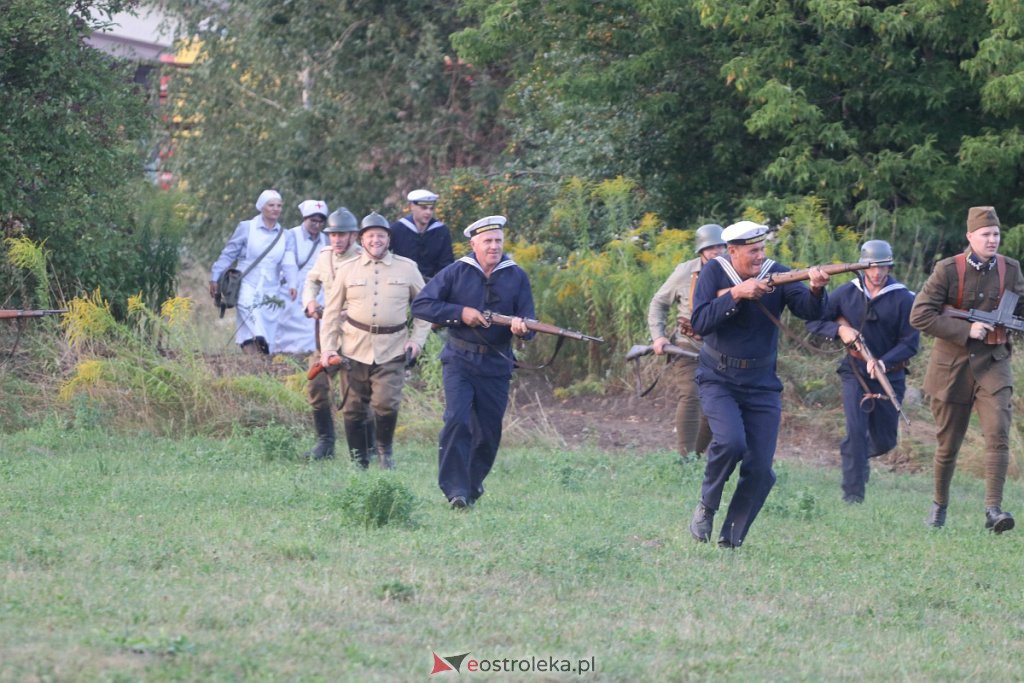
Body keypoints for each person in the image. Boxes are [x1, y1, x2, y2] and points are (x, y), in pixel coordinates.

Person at [688, 220, 830, 547]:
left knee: (761, 469)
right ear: (732, 251)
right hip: (718, 377)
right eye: (753, 251)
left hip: (762, 383)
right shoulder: (714, 273)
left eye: (762, 249)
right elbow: (700, 321)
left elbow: (808, 310)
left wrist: (817, 287)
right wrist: (738, 293)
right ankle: (707, 505)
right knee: (731, 443)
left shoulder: (776, 271)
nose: (759, 256)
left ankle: (731, 539)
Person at [909, 206, 1020, 533]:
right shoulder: (948, 270)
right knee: (948, 444)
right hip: (952, 368)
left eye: (996, 234)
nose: (992, 240)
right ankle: (939, 504)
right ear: (970, 237)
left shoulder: (1010, 270)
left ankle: (994, 511)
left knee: (998, 433)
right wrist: (965, 330)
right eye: (985, 234)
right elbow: (920, 316)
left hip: (993, 365)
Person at [412, 215, 535, 509]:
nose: (494, 247)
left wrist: (522, 328)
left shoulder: (517, 275)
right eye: (488, 241)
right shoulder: (456, 272)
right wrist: (460, 312)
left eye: (498, 241)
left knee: (489, 432)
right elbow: (422, 305)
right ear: (474, 244)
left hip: (496, 364)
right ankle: (455, 490)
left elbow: (528, 323)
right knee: (456, 420)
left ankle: (471, 486)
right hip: (459, 360)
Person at [806, 240, 919, 504]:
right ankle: (853, 496)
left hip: (891, 373)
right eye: (871, 267)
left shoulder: (905, 298)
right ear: (862, 267)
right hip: (854, 371)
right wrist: (839, 330)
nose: (877, 273)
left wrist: (884, 362)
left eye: (883, 267)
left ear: (890, 266)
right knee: (856, 432)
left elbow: (910, 343)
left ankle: (853, 456)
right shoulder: (846, 292)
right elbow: (814, 320)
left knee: (885, 441)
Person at [320, 212, 430, 469]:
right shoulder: (348, 270)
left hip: (393, 347)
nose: (375, 241)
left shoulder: (407, 267)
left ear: (388, 239)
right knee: (353, 408)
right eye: (370, 236)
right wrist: (328, 348)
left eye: (381, 236)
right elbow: (332, 312)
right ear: (362, 239)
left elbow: (425, 310)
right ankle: (359, 461)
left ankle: (384, 452)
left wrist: (417, 341)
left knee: (385, 402)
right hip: (354, 347)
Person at [647, 224, 726, 458]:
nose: (717, 251)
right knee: (692, 394)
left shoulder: (733, 271)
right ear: (701, 249)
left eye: (721, 246)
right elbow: (659, 302)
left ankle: (697, 456)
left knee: (717, 403)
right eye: (711, 247)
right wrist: (658, 336)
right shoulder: (686, 271)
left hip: (722, 350)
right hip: (687, 344)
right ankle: (685, 458)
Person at [299, 207, 360, 460]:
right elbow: (312, 280)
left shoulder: (364, 258)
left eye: (341, 235)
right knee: (317, 383)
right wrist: (310, 302)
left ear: (353, 236)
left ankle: (362, 449)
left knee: (355, 392)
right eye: (332, 235)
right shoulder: (325, 256)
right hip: (328, 334)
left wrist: (350, 311)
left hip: (357, 333)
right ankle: (325, 443)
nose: (336, 240)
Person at [210, 189, 293, 355]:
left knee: (253, 329)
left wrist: (292, 283)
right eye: (271, 205)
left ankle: (257, 364)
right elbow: (229, 254)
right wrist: (215, 276)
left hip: (271, 288)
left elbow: (288, 263)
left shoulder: (286, 235)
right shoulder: (247, 227)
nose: (275, 208)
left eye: (279, 205)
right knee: (250, 311)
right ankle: (261, 339)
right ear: (262, 207)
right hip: (246, 282)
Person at [275, 199, 329, 354]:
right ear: (305, 219)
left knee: (314, 327)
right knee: (288, 328)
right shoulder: (290, 235)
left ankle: (311, 356)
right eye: (313, 221)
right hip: (292, 291)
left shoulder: (326, 240)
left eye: (320, 222)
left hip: (317, 291)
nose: (317, 225)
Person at [389, 188, 454, 281]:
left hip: (432, 284)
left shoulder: (441, 231)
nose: (428, 212)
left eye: (431, 209)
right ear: (412, 206)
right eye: (424, 208)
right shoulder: (397, 229)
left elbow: (446, 263)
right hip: (402, 283)